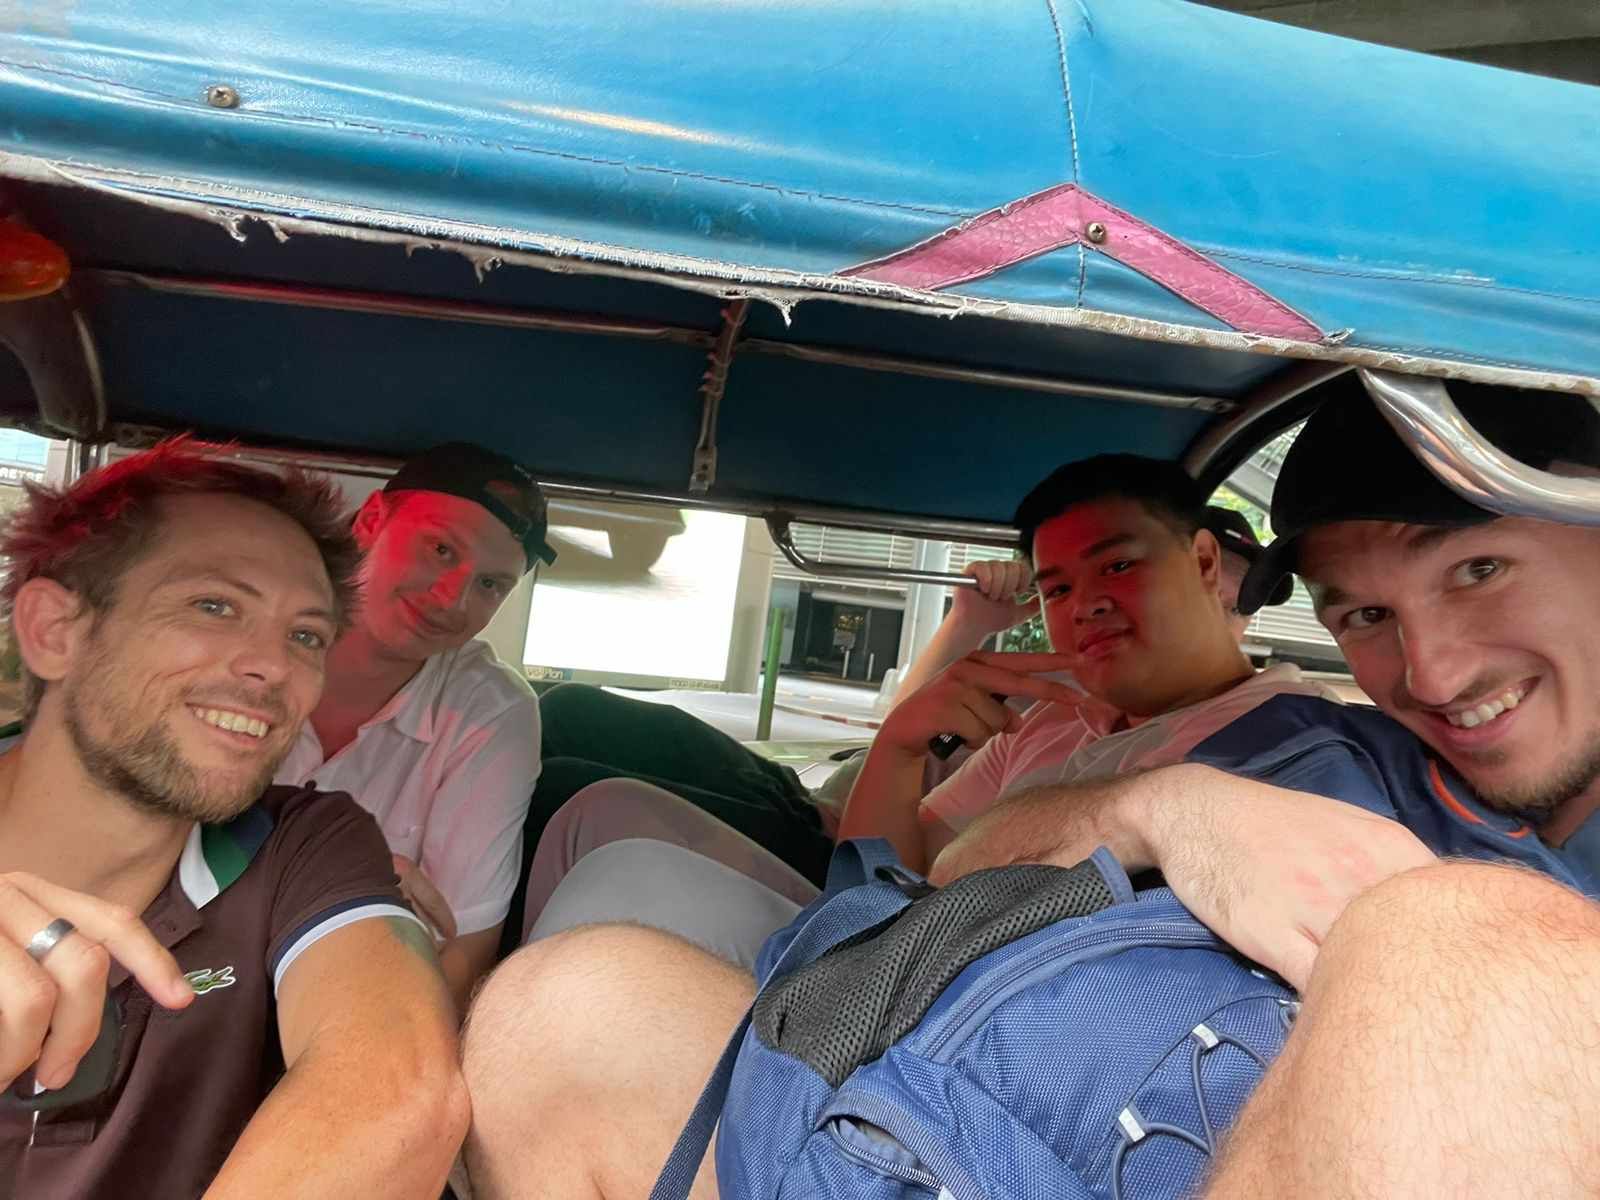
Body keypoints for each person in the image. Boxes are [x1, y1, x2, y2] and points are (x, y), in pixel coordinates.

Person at [461, 381, 1600, 1199]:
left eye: (1478, 569)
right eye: (1362, 615)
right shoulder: (1293, 749)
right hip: (916, 1061)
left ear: (1207, 567)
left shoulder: (1297, 736)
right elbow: (926, 871)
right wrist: (1162, 804)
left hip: (1075, 1112)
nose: (1434, 669)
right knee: (561, 1001)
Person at [0, 440, 467, 1199]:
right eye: (214, 606)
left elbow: (394, 1097)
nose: (274, 667)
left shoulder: (302, 842)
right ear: (57, 630)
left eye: (306, 636)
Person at [513, 500, 1289, 952]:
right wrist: (962, 638)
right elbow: (899, 830)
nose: (1085, 603)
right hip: (854, 838)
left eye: (1122, 567)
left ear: (1206, 572)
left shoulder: (1270, 738)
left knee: (583, 801)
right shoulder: (1063, 708)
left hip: (890, 921)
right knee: (577, 716)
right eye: (1059, 585)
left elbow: (903, 877)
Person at [274, 442, 555, 1011]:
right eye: (441, 548)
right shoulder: (250, 649)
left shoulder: (489, 710)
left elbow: (462, 947)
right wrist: (341, 869)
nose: (452, 599)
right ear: (373, 521)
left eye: (490, 585)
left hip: (361, 1008)